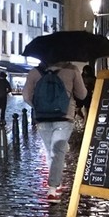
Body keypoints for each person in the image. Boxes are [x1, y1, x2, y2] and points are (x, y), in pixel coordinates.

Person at [22, 61, 88, 203]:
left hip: (42, 118)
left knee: (50, 151)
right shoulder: (72, 69)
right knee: (58, 151)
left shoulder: (35, 72)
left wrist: (40, 106)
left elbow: (26, 96)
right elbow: (82, 94)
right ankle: (52, 188)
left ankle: (54, 181)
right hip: (64, 117)